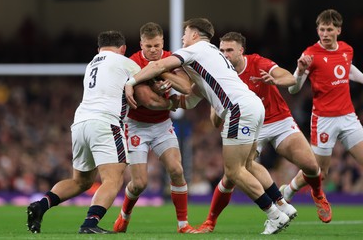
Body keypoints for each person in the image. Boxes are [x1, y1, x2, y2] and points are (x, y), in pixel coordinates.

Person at [125, 17, 291, 235]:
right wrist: (169, 102)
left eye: (185, 33)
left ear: (195, 34)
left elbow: (158, 65)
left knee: (234, 171)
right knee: (248, 164)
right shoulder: (209, 56)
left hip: (238, 109)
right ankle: (283, 205)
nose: (182, 37)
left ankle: (275, 215)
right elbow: (190, 97)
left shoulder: (197, 49)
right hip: (253, 106)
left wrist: (131, 81)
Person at [196, 31, 330, 233]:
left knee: (311, 166)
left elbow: (289, 78)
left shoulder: (257, 63)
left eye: (230, 50)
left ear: (241, 51)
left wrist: (275, 81)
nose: (225, 54)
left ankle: (317, 193)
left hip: (278, 120)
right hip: (250, 126)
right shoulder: (220, 75)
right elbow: (215, 122)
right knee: (232, 175)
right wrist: (216, 105)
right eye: (222, 50)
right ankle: (210, 221)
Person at [26, 30, 141, 234]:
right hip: (105, 122)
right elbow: (147, 80)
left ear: (99, 49)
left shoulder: (91, 64)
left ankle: (41, 205)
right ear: (123, 48)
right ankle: (90, 224)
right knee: (114, 179)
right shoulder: (124, 62)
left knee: (81, 181)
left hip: (80, 123)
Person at [112, 22, 197, 234]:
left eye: (157, 45)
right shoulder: (132, 63)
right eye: (148, 46)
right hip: (136, 126)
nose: (153, 50)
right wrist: (169, 101)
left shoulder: (170, 58)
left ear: (163, 43)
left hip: (161, 125)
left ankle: (183, 225)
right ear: (141, 44)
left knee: (177, 170)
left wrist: (162, 71)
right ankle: (124, 216)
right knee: (139, 183)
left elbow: (186, 87)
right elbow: (147, 100)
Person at [283, 8, 363, 218]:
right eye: (321, 29)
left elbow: (348, 69)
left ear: (338, 30)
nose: (325, 34)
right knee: (320, 172)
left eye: (329, 29)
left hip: (348, 118)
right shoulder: (310, 54)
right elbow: (293, 88)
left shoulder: (346, 49)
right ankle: (289, 190)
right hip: (324, 120)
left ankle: (287, 191)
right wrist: (300, 70)